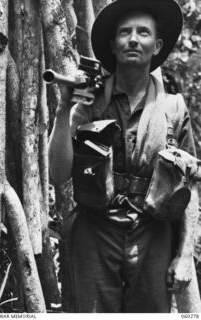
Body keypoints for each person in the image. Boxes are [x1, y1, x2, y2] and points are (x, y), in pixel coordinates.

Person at [48, 0, 200, 313]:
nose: (133, 38)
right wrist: (64, 110)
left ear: (156, 45)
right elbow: (58, 173)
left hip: (154, 234)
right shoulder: (90, 102)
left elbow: (192, 186)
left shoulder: (174, 108)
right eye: (124, 33)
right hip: (95, 232)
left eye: (143, 32)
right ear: (113, 46)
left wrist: (185, 255)